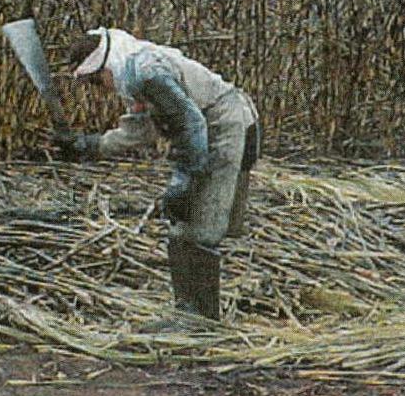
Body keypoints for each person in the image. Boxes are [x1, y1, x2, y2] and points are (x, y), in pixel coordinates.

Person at [55, 27, 260, 328]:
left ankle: (199, 322)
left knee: (197, 228)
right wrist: (91, 145)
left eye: (97, 80)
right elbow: (142, 128)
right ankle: (189, 312)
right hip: (222, 124)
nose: (100, 89)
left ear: (106, 66)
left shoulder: (146, 75)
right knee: (185, 225)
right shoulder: (134, 71)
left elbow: (191, 127)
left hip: (224, 128)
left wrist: (184, 183)